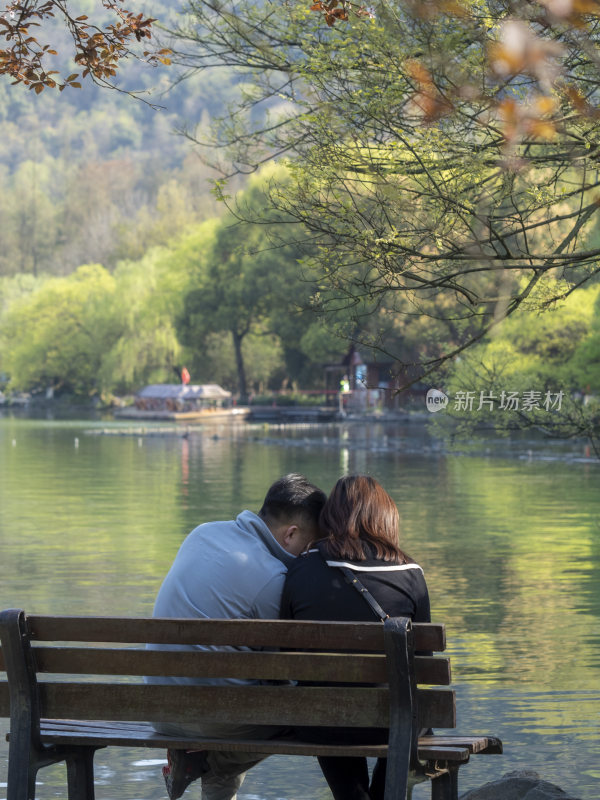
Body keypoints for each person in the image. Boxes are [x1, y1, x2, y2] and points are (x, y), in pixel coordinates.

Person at [147, 473, 326, 800]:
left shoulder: (203, 533)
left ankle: (194, 762)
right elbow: (279, 674)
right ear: (291, 534)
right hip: (218, 721)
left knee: (239, 690)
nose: (308, 556)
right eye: (309, 546)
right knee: (306, 713)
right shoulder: (274, 578)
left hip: (159, 712)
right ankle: (209, 764)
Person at [280, 474, 431, 800]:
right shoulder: (410, 574)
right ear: (386, 517)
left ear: (330, 517)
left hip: (320, 722)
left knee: (329, 707)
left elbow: (286, 654)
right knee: (408, 717)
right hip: (392, 723)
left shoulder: (302, 568)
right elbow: (422, 665)